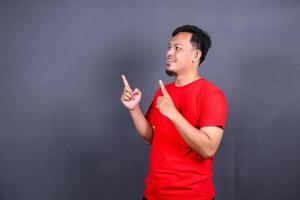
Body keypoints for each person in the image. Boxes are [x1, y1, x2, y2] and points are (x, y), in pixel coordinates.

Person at [120, 25, 227, 200]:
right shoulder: (163, 92)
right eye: (169, 47)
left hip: (192, 196)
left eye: (177, 48)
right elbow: (149, 137)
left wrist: (174, 114)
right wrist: (134, 109)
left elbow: (208, 148)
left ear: (196, 55)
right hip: (153, 194)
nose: (169, 53)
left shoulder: (211, 94)